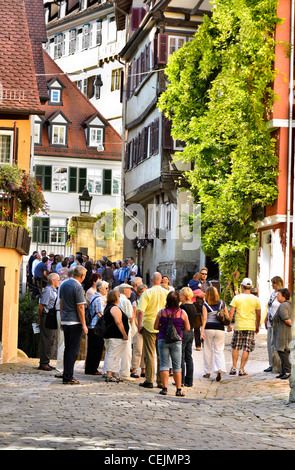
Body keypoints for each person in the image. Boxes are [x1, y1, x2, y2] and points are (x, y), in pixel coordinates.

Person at [154, 291, 190, 396]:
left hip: (163, 339)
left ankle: (164, 388)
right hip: (177, 341)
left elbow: (155, 327)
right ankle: (178, 389)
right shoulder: (182, 313)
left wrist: (164, 327)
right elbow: (187, 328)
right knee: (177, 366)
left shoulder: (161, 312)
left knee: (164, 364)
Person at [137, 272, 168, 389]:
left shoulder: (147, 293)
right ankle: (161, 381)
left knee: (149, 353)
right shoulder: (166, 292)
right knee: (161, 355)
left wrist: (139, 325)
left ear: (151, 280)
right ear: (161, 280)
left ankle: (149, 379)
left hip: (149, 325)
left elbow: (140, 311)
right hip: (163, 326)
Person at [59, 265, 88, 385]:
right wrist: (84, 324)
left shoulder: (64, 284)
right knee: (73, 351)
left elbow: (60, 303)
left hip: (65, 320)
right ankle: (68, 376)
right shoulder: (78, 287)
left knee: (67, 349)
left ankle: (67, 374)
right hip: (74, 321)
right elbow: (80, 307)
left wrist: (61, 319)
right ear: (82, 276)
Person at [229, 278, 261, 376]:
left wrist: (229, 324)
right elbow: (259, 314)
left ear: (242, 286)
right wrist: (257, 326)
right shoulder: (256, 299)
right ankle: (241, 369)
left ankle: (233, 367)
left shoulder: (236, 298)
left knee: (236, 346)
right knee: (246, 348)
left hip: (239, 325)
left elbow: (231, 312)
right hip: (250, 326)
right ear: (251, 287)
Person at [201, 286, 227, 381]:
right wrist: (229, 327)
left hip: (209, 328)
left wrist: (201, 331)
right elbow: (227, 317)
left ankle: (207, 372)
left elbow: (204, 319)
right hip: (220, 329)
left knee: (207, 350)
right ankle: (219, 369)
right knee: (219, 350)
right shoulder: (222, 304)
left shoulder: (205, 305)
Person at [104, 289, 130, 382]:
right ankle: (109, 375)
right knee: (113, 355)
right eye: (118, 296)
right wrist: (124, 334)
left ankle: (113, 374)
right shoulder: (114, 308)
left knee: (114, 355)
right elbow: (118, 322)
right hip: (115, 335)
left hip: (110, 335)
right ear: (115, 298)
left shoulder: (108, 307)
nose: (119, 298)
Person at [84, 280, 108, 376]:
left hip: (92, 326)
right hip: (96, 326)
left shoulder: (94, 297)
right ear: (100, 289)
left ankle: (89, 368)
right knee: (97, 348)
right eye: (106, 288)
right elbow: (99, 313)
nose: (107, 290)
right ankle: (93, 368)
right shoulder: (99, 299)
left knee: (91, 348)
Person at [37, 273, 60, 371]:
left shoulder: (54, 291)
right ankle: (43, 363)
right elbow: (41, 305)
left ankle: (46, 361)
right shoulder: (48, 291)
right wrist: (39, 318)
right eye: (58, 280)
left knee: (51, 339)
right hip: (47, 316)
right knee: (47, 339)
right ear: (53, 281)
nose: (59, 282)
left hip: (51, 316)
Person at [179, 287, 198, 387]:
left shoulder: (183, 307)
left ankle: (181, 380)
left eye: (181, 295)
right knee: (188, 356)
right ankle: (189, 380)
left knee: (181, 356)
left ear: (184, 296)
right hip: (191, 331)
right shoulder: (193, 306)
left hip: (183, 331)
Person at [264, 276, 283, 372]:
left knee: (276, 344)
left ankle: (278, 365)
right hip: (270, 322)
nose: (272, 285)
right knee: (269, 344)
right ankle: (271, 364)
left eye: (274, 283)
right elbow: (270, 306)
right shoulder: (273, 294)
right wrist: (266, 317)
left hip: (277, 322)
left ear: (278, 283)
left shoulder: (282, 293)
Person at [273, 288, 292, 380]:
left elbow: (286, 319)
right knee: (283, 351)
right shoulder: (286, 304)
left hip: (283, 333)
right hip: (282, 332)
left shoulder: (284, 306)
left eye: (278, 295)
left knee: (283, 351)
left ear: (283, 297)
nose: (277, 296)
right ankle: (284, 371)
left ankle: (288, 371)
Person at [118, 283, 135, 381]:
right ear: (124, 290)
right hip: (125, 327)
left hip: (117, 327)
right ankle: (125, 373)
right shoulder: (126, 301)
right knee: (127, 351)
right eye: (129, 289)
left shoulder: (118, 299)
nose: (131, 291)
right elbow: (130, 316)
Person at [131, 283, 147, 378]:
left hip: (146, 326)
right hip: (138, 327)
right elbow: (134, 314)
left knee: (145, 349)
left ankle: (144, 369)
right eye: (142, 292)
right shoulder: (136, 302)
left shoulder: (148, 301)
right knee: (137, 348)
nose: (143, 293)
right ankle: (134, 368)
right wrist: (138, 324)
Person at [193, 267, 210, 351]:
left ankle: (203, 340)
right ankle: (198, 344)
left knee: (205, 324)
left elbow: (212, 295)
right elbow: (188, 294)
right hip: (196, 304)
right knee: (196, 325)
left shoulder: (209, 284)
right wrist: (197, 295)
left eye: (205, 274)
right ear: (200, 274)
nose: (204, 275)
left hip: (205, 306)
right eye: (202, 273)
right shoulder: (194, 282)